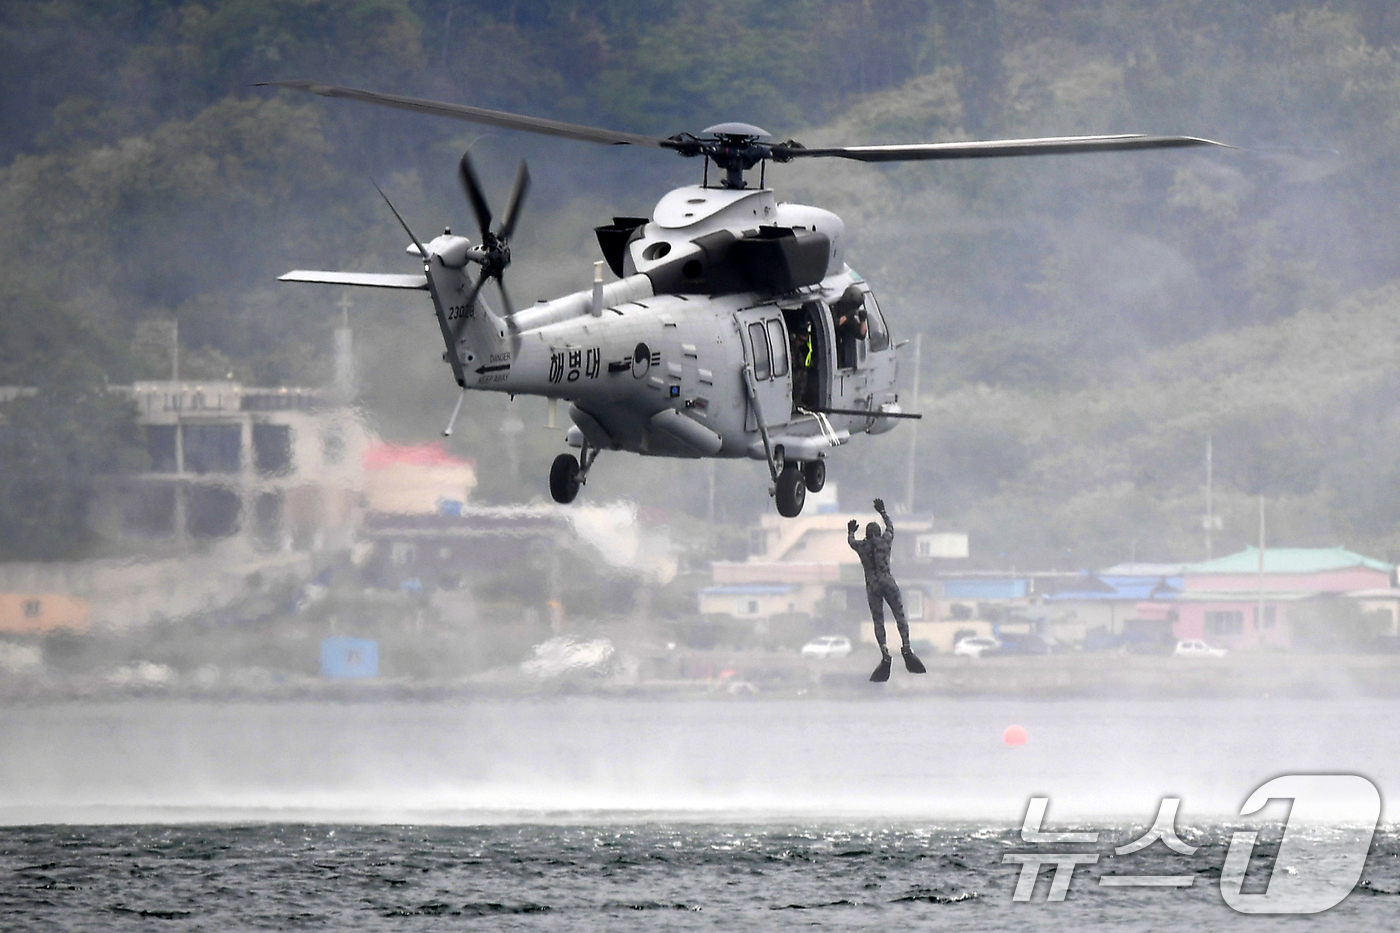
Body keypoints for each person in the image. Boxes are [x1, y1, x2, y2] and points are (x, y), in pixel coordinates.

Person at [848, 498, 925, 681]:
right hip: (888, 581)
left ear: (866, 534)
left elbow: (851, 541)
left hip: (873, 586)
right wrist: (883, 512)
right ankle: (906, 647)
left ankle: (884, 652)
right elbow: (891, 528)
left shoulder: (862, 546)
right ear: (879, 532)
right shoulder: (886, 541)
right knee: (900, 616)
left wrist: (851, 530)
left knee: (878, 621)